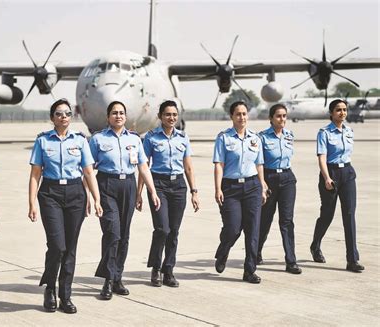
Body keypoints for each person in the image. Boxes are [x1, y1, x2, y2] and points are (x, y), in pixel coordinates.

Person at [28, 98, 103, 314]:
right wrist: (31, 202)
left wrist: (96, 199)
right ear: (52, 118)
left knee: (70, 248)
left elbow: (88, 172)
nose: (64, 117)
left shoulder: (80, 141)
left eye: (67, 113)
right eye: (59, 113)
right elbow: (35, 174)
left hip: (75, 195)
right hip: (50, 194)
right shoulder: (43, 141)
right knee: (57, 246)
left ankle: (65, 296)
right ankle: (50, 287)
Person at [89, 100, 161, 300]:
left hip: (128, 185)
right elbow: (88, 169)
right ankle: (108, 280)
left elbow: (143, 167)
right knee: (112, 233)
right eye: (114, 113)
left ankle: (117, 277)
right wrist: (91, 196)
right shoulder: (97, 139)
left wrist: (152, 191)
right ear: (108, 117)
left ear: (125, 117)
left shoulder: (135, 140)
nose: (118, 116)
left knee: (124, 235)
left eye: (121, 113)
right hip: (106, 185)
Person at [136, 100, 199, 288]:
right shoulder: (151, 137)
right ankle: (156, 267)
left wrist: (194, 191)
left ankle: (168, 269)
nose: (171, 118)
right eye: (167, 114)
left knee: (174, 230)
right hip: (158, 185)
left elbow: (188, 166)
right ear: (160, 117)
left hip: (179, 186)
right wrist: (139, 193)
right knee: (162, 229)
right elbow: (143, 165)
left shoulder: (183, 137)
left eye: (174, 114)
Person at [213, 101, 267, 284]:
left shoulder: (255, 138)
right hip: (231, 187)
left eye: (244, 114)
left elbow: (259, 164)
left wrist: (263, 185)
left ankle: (249, 270)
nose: (242, 117)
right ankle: (223, 251)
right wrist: (218, 188)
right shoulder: (224, 138)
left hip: (252, 186)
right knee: (233, 228)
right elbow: (219, 165)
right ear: (232, 117)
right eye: (238, 114)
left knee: (253, 230)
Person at [310, 99, 364, 272]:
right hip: (331, 174)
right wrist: (326, 178)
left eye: (344, 109)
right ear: (331, 113)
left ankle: (352, 259)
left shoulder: (349, 131)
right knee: (327, 214)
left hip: (347, 174)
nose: (342, 113)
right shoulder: (324, 133)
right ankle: (315, 245)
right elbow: (322, 157)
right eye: (338, 110)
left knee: (349, 215)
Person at [257, 104, 301, 274]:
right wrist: (262, 183)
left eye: (284, 116)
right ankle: (256, 251)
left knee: (287, 221)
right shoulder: (262, 137)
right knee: (265, 220)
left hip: (288, 179)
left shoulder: (290, 135)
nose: (282, 119)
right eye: (278, 116)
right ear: (271, 118)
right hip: (269, 178)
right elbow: (259, 162)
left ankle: (291, 261)